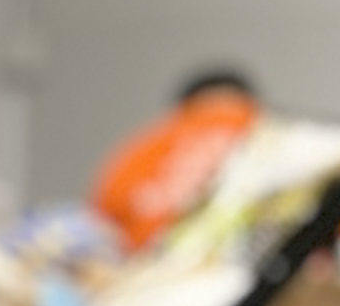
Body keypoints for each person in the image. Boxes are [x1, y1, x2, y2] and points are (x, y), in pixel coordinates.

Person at [89, 62, 260, 251]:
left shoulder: (134, 152)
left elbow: (99, 229)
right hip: (245, 247)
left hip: (155, 267)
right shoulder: (259, 124)